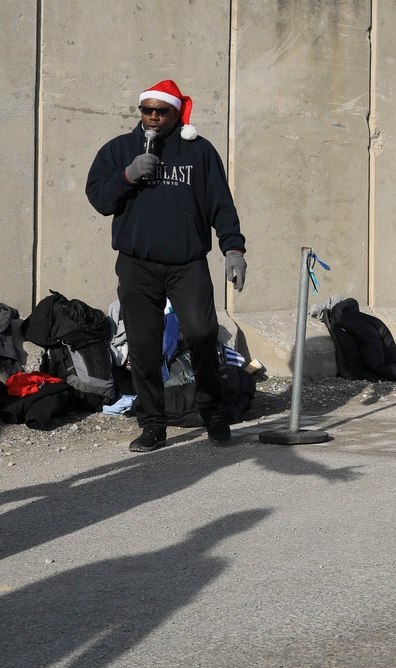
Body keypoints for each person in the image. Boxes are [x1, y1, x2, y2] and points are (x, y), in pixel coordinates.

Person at [86, 79, 248, 452]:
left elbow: (220, 204)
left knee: (202, 332)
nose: (154, 117)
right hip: (137, 264)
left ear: (177, 114)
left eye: (163, 111)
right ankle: (152, 423)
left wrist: (233, 250)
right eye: (148, 110)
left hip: (186, 263)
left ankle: (212, 409)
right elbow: (98, 197)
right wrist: (127, 175)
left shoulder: (200, 152)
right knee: (143, 345)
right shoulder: (120, 149)